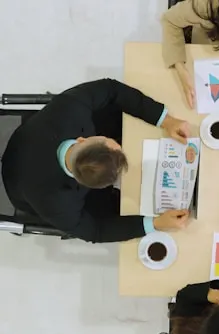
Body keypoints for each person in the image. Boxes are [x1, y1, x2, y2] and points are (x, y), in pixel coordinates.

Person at [1, 79, 192, 243]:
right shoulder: (57, 205)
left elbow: (110, 88)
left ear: (82, 140)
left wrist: (165, 120)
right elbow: (96, 231)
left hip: (27, 139)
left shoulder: (69, 109)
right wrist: (155, 223)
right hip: (20, 186)